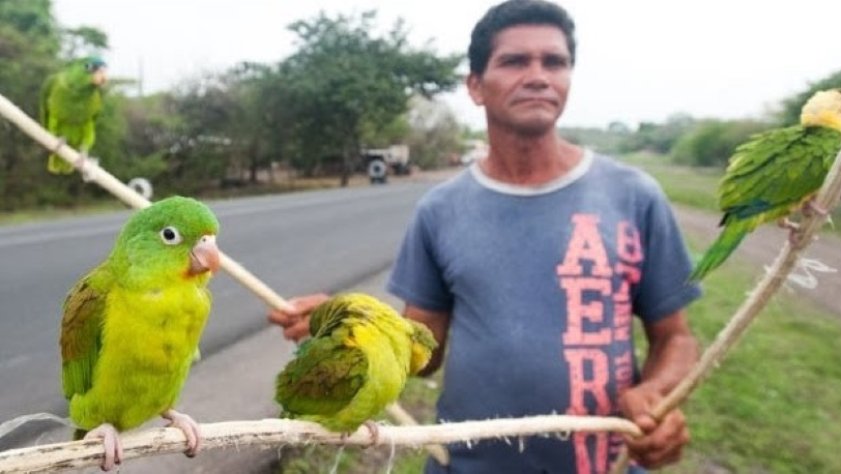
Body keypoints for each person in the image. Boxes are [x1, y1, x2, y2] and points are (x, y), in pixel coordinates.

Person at [269, 0, 702, 472]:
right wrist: (353, 334)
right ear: (475, 86)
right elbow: (423, 354)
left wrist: (657, 396)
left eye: (554, 61)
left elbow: (675, 338)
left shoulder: (634, 195)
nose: (538, 75)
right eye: (515, 61)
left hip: (606, 462)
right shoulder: (440, 211)